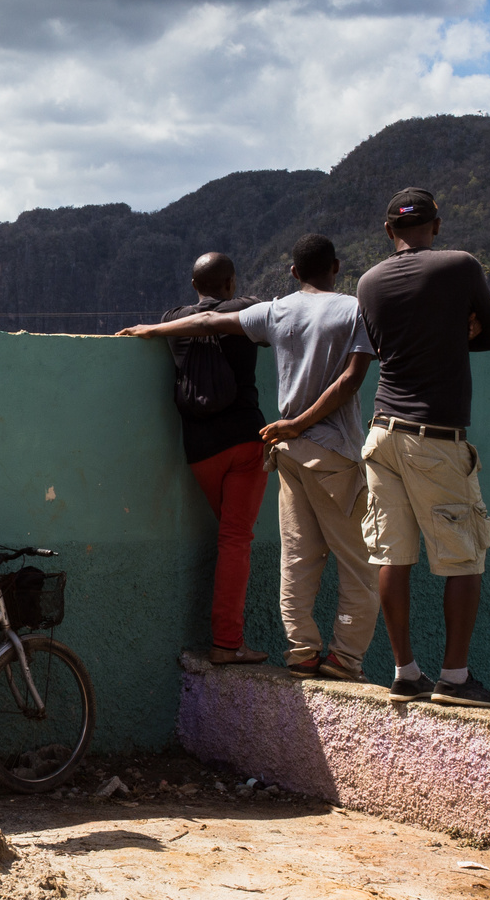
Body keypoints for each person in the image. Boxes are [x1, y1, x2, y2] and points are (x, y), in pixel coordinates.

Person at [124, 236, 380, 681]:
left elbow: (206, 321)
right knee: (356, 561)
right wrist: (300, 422)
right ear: (336, 266)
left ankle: (301, 652)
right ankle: (342, 656)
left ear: (295, 273)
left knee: (298, 557)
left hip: (270, 450)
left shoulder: (276, 310)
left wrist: (151, 330)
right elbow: (351, 380)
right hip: (316, 446)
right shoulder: (353, 308)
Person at [355, 188, 490, 708]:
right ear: (436, 226)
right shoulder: (459, 266)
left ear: (387, 231)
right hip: (434, 437)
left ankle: (405, 672)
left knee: (392, 556)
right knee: (463, 555)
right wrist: (453, 331)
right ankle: (456, 678)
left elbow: (381, 347)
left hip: (380, 433)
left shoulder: (369, 281)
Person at [119, 252, 269, 664]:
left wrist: (152, 328)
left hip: (199, 449)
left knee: (229, 536)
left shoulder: (172, 319)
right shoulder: (247, 311)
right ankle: (227, 643)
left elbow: (192, 322)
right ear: (231, 283)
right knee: (236, 540)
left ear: (193, 286)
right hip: (244, 442)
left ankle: (226, 640)